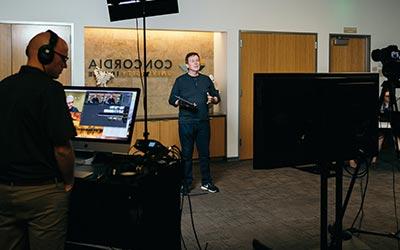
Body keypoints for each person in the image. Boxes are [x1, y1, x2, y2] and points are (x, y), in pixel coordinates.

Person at [0, 30, 76, 250]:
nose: (65, 65)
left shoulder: (4, 86)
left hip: (4, 191)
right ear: (46, 54)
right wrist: (69, 181)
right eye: (63, 58)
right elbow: (62, 149)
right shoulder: (51, 90)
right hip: (42, 194)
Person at [169, 52, 221, 194]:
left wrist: (213, 99)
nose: (196, 63)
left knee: (204, 153)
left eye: (197, 60)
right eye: (192, 61)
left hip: (203, 122)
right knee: (187, 154)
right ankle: (186, 183)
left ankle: (207, 182)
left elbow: (217, 97)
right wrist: (181, 102)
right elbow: (172, 100)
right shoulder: (180, 80)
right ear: (187, 65)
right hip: (186, 122)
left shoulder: (206, 80)